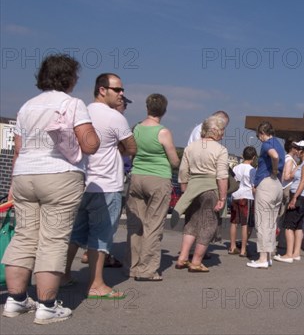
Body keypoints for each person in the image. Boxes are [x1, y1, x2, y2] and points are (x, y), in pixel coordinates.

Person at [1, 54, 100, 324]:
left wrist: (12, 184)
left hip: (24, 175)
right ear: (69, 78)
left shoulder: (27, 107)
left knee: (24, 236)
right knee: (53, 239)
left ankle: (15, 300)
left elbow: (18, 149)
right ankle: (47, 305)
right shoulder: (72, 104)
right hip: (59, 175)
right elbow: (90, 144)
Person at [63, 73, 136, 299]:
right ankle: (96, 284)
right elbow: (132, 147)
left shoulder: (81, 112)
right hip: (106, 184)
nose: (121, 94)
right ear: (102, 90)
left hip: (82, 182)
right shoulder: (115, 117)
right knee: (101, 237)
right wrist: (117, 150)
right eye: (118, 89)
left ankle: (63, 274)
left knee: (75, 234)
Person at [126, 94, 180, 281]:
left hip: (137, 176)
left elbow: (131, 153)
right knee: (153, 224)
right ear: (164, 111)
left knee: (136, 225)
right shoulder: (163, 132)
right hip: (158, 178)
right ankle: (147, 269)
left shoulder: (136, 129)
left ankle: (133, 267)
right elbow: (173, 160)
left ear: (146, 107)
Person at [174, 116, 228, 272]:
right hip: (210, 189)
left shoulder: (190, 147)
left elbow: (183, 171)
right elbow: (222, 176)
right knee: (208, 225)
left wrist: (185, 190)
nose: (223, 134)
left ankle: (182, 258)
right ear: (215, 131)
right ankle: (196, 261)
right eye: (222, 130)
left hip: (192, 188)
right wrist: (223, 198)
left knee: (191, 223)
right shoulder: (220, 150)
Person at [246, 121, 284, 269]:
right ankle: (268, 256)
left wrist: (273, 169)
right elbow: (278, 156)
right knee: (271, 223)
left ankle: (262, 258)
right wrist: (276, 171)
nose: (259, 138)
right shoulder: (279, 144)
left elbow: (273, 156)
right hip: (277, 185)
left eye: (258, 136)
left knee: (262, 223)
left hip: (266, 184)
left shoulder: (267, 144)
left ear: (262, 133)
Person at [273, 140, 304, 263]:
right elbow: (290, 175)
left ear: (303, 150)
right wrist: (298, 164)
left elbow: (303, 181)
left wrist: (295, 197)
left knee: (288, 225)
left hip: (299, 195)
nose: (296, 151)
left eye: (298, 148)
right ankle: (295, 253)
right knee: (298, 226)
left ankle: (289, 254)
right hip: (302, 196)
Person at [229, 146, 257, 258]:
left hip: (235, 195)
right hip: (247, 196)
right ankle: (243, 249)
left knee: (234, 222)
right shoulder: (252, 170)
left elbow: (232, 181)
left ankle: (232, 246)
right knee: (245, 224)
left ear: (243, 155)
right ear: (253, 157)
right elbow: (254, 186)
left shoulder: (235, 168)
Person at [277, 137, 298, 250]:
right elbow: (286, 176)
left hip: (282, 188)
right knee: (284, 217)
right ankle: (282, 242)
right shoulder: (289, 160)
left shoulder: (286, 158)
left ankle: (281, 241)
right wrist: (297, 169)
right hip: (287, 189)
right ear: (293, 148)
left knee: (281, 216)